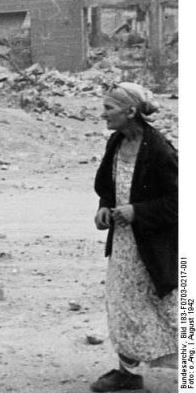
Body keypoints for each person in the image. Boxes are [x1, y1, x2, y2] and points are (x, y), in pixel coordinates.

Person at [91, 82, 178, 392]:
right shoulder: (116, 143)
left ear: (130, 112)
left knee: (164, 310)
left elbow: (179, 202)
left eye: (109, 109)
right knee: (123, 306)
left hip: (153, 248)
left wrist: (137, 211)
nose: (103, 115)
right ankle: (127, 374)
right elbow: (108, 187)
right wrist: (105, 208)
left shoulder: (159, 150)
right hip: (125, 246)